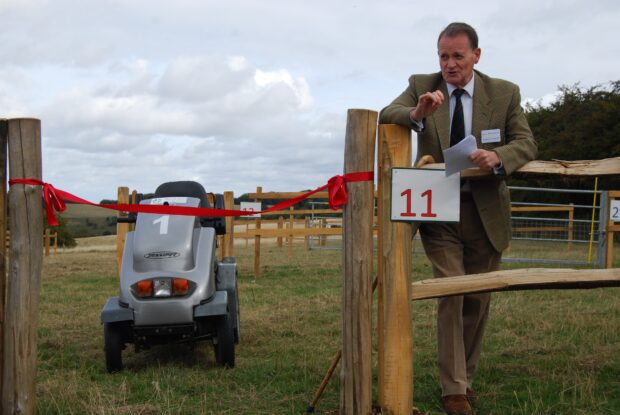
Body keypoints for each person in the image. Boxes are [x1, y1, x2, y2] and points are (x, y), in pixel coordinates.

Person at [379, 22, 537, 415]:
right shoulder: (422, 83)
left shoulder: (504, 92)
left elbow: (527, 142)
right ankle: (453, 391)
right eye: (443, 56)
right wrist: (416, 112)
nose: (449, 65)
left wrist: (500, 157)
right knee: (451, 291)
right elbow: (388, 111)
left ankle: (463, 379)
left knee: (477, 298)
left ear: (476, 56)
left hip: (486, 210)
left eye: (457, 56)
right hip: (439, 209)